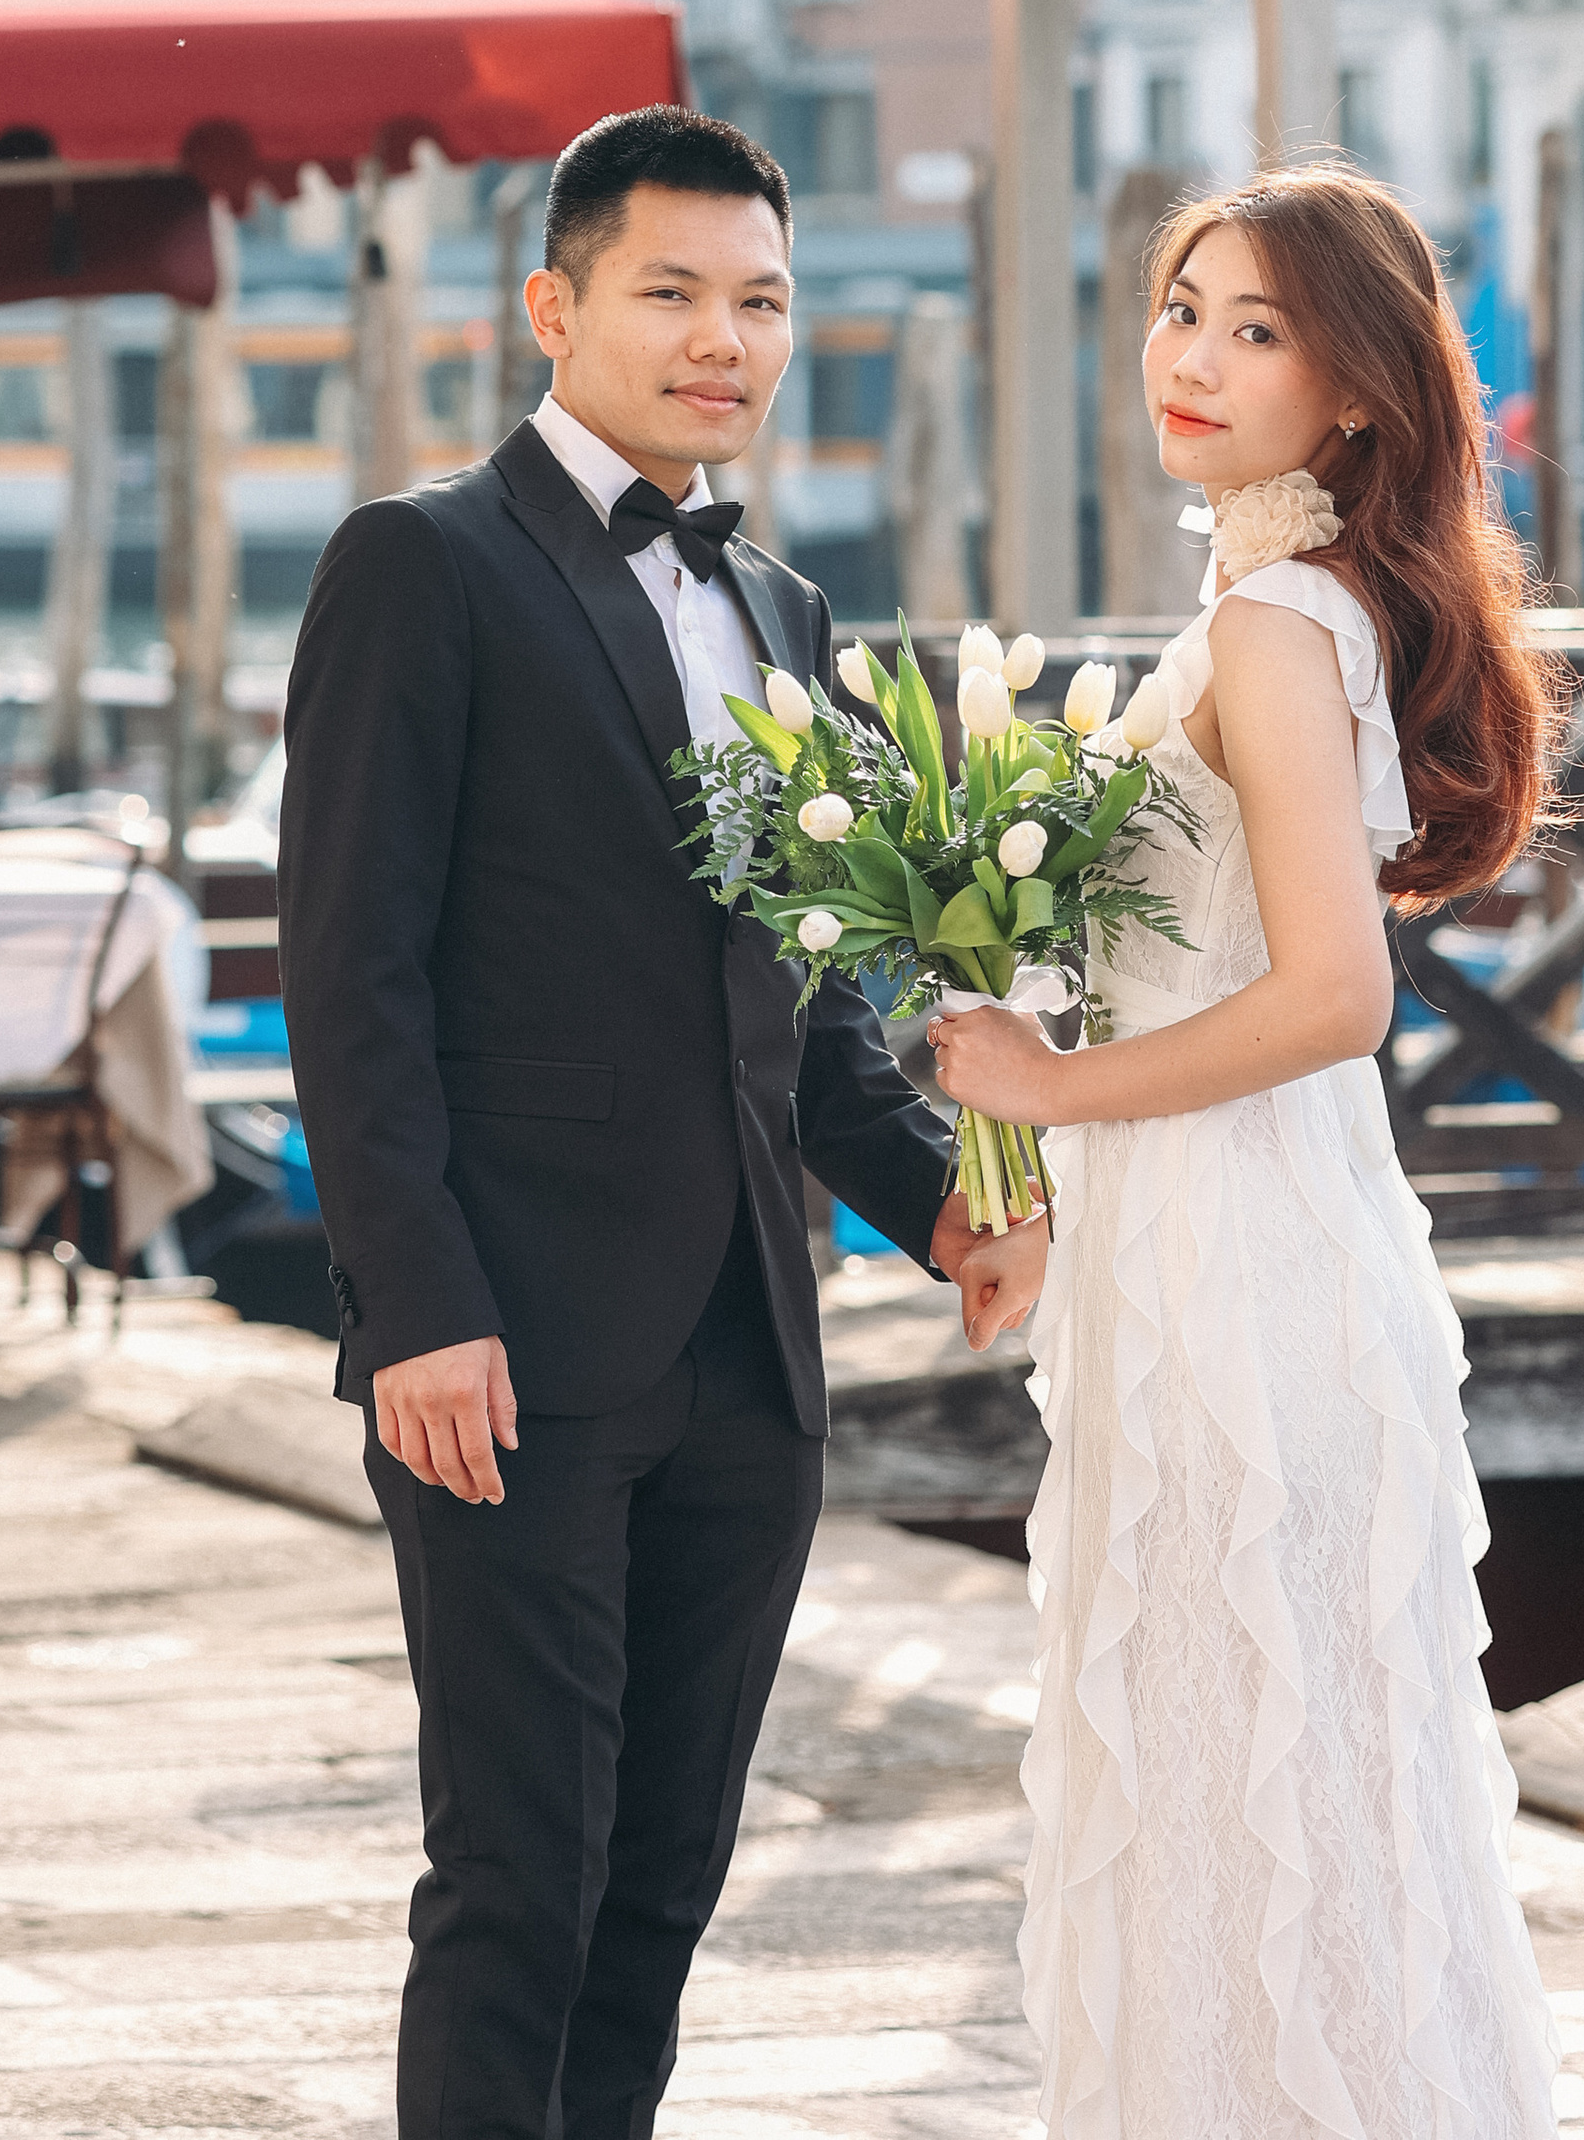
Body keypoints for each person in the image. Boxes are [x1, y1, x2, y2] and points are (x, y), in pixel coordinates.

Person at [280, 103, 1047, 2140]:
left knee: (658, 1895)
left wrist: (939, 1217)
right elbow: (345, 981)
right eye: (671, 294)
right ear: (554, 304)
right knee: (516, 1883)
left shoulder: (790, 621)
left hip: (746, 1359)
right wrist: (412, 1306)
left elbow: (799, 1019)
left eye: (760, 301)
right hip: (505, 1349)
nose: (722, 337)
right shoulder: (418, 567)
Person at [931, 166, 1565, 2138]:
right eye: (1181, 305)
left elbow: (1329, 995)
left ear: (1358, 392)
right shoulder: (1255, 603)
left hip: (1245, 1275)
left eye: (1257, 327)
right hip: (1196, 1252)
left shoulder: (1280, 626)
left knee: (1257, 1786)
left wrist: (1035, 1089)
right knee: (1238, 1789)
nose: (1190, 357)